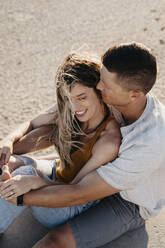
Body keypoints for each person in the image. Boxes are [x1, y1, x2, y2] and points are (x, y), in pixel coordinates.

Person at [1, 42, 164, 248]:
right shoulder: (111, 97)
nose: (98, 85)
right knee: (15, 165)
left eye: (105, 85)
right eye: (100, 79)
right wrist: (8, 145)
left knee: (54, 242)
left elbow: (78, 192)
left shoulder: (147, 144)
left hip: (129, 201)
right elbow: (49, 125)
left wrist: (23, 195)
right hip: (89, 175)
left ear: (134, 95)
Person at [0, 53, 121, 240]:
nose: (75, 106)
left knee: (26, 175)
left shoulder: (108, 141)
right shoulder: (70, 108)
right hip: (57, 174)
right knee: (9, 160)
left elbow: (75, 190)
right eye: (69, 98)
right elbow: (32, 124)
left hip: (69, 205)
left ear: (100, 92)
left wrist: (34, 182)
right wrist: (8, 141)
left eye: (82, 97)